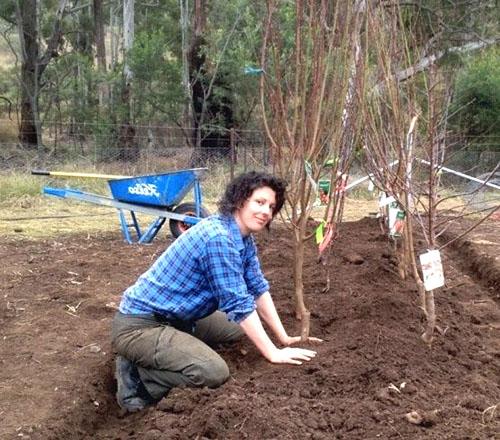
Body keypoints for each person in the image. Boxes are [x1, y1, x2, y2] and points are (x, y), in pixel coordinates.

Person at [111, 171, 320, 412]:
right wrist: (273, 353)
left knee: (235, 329)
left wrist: (283, 338)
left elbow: (257, 287)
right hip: (141, 325)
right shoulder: (218, 238)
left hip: (177, 318)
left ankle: (166, 350)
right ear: (240, 200)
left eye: (271, 207)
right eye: (259, 202)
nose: (266, 212)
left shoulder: (242, 238)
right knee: (212, 372)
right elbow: (239, 304)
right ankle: (141, 378)